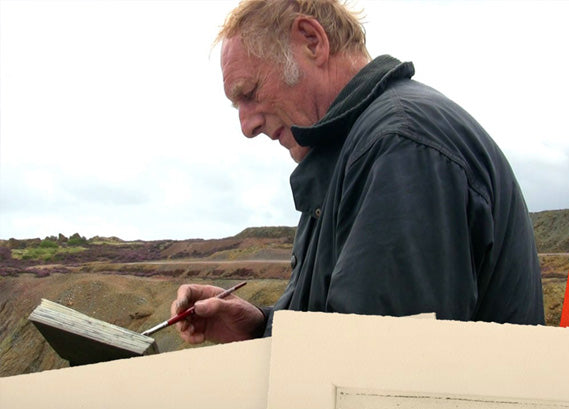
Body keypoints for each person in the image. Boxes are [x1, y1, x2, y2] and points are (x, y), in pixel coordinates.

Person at [172, 0, 544, 343]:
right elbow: (349, 337)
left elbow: (374, 366)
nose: (247, 126)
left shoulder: (399, 148)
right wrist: (258, 327)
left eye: (250, 92)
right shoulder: (351, 155)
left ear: (312, 41)